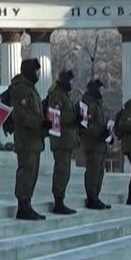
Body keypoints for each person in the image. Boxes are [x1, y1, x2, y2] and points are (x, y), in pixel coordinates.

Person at [9, 58, 47, 220]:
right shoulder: (22, 89)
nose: (38, 74)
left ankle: (27, 204)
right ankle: (23, 206)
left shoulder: (31, 89)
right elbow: (21, 116)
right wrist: (40, 122)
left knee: (32, 173)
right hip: (26, 140)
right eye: (36, 70)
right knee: (26, 172)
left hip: (34, 140)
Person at [45, 69, 80, 215]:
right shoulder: (58, 96)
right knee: (61, 170)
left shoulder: (64, 95)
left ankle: (61, 198)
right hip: (60, 140)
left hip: (66, 140)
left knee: (65, 170)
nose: (72, 83)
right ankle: (58, 200)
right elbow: (54, 116)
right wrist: (74, 117)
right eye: (70, 80)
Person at [79, 78, 110, 210]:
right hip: (92, 143)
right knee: (93, 171)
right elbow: (85, 125)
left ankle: (96, 196)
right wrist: (99, 132)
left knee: (99, 172)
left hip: (100, 144)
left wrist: (107, 133)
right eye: (100, 88)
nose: (102, 91)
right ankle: (92, 197)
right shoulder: (89, 104)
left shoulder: (98, 104)